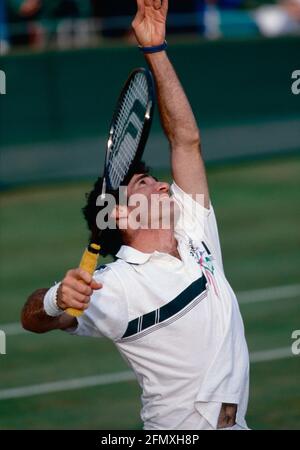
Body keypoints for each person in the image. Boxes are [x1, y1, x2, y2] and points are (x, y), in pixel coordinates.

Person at [21, 0, 250, 431]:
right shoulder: (115, 285)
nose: (164, 185)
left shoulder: (193, 227)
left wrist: (155, 49)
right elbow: (32, 318)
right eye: (147, 184)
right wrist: (55, 298)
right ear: (122, 214)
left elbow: (186, 140)